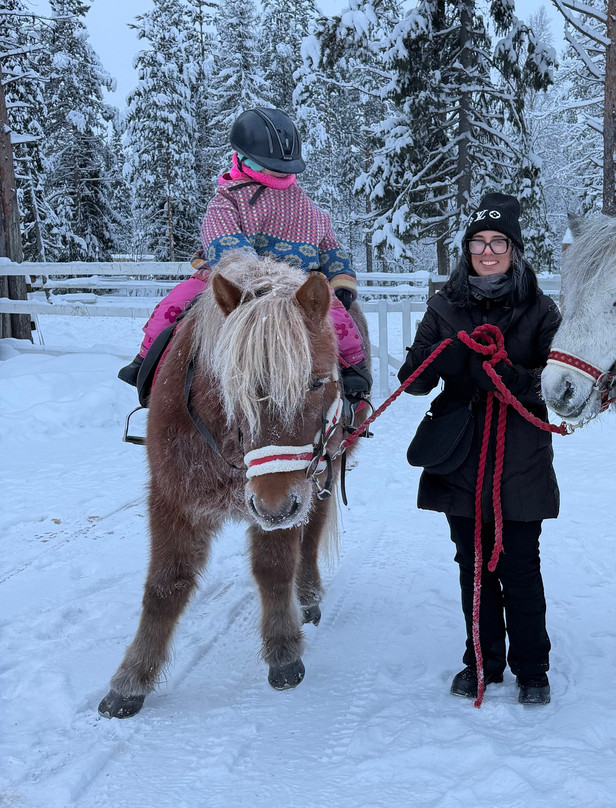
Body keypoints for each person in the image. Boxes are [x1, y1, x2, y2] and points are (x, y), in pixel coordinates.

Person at [398, 192, 561, 705]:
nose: (487, 252)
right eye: (478, 243)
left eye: (497, 243)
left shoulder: (540, 309)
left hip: (520, 454)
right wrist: (444, 363)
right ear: (466, 249)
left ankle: (533, 669)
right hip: (463, 453)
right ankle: (482, 662)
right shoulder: (445, 306)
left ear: (514, 248)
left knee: (518, 565)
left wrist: (512, 376)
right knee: (472, 563)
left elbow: (557, 382)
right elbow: (413, 379)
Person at [118, 107, 371, 408]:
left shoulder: (308, 207)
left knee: (339, 317)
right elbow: (227, 244)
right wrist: (253, 277)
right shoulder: (228, 199)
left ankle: (353, 368)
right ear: (244, 158)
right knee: (175, 304)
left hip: (297, 284)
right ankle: (148, 363)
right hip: (238, 283)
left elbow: (329, 246)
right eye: (271, 166)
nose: (279, 173)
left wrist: (341, 278)